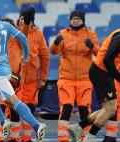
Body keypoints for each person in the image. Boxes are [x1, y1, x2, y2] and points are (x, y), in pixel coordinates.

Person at [0, 0, 47, 142]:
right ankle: (3, 122)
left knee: (14, 103)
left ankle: (37, 126)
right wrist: (26, 55)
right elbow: (23, 37)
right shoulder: (5, 25)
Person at [50, 10, 100, 142]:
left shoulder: (90, 34)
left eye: (78, 19)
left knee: (84, 109)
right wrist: (56, 43)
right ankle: (63, 138)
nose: (76, 21)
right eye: (73, 19)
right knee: (66, 107)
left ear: (83, 20)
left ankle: (85, 137)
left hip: (85, 79)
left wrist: (92, 46)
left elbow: (99, 52)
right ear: (70, 20)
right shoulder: (63, 33)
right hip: (66, 79)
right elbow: (53, 52)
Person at [68, 28, 120, 142]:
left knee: (108, 108)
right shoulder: (119, 36)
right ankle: (90, 137)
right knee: (111, 109)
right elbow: (107, 59)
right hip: (100, 72)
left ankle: (78, 127)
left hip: (103, 72)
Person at [17, 7, 50, 142]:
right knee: (12, 109)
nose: (22, 20)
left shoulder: (38, 34)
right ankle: (11, 137)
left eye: (25, 18)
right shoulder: (12, 32)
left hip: (31, 80)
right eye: (21, 18)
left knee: (29, 108)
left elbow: (45, 56)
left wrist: (42, 78)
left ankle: (26, 138)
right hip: (14, 80)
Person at [0, 18, 24, 142]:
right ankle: (0, 137)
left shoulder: (18, 41)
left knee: (15, 112)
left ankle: (15, 138)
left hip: (15, 84)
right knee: (0, 110)